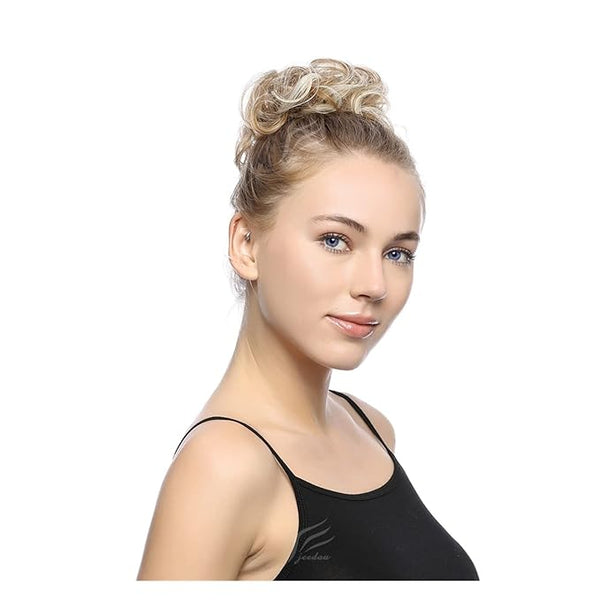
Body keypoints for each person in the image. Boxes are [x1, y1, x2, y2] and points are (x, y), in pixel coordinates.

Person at [136, 58, 479, 581]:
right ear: (247, 244)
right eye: (335, 240)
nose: (374, 284)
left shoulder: (371, 430)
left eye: (398, 253)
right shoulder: (223, 468)